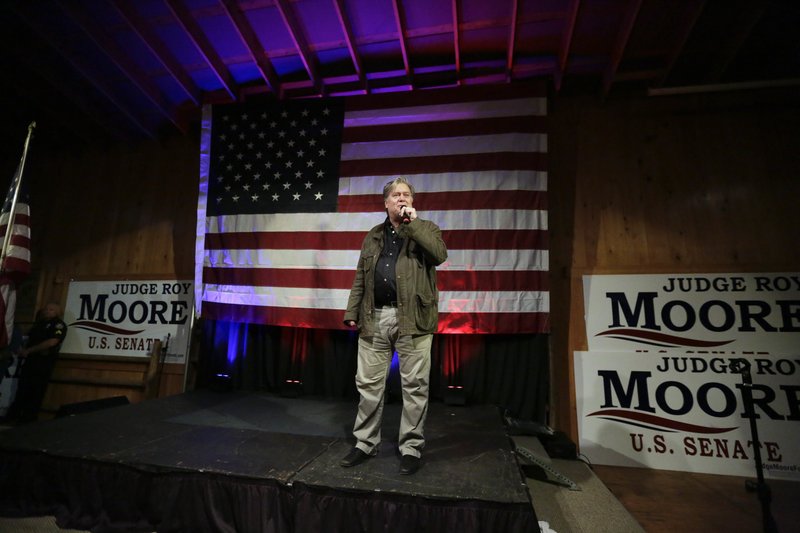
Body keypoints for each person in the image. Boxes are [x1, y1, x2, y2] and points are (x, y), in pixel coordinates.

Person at [340, 177, 447, 475]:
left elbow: (439, 255)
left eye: (407, 195)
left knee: (415, 387)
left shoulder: (426, 230)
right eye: (396, 194)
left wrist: (412, 225)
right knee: (369, 385)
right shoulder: (373, 236)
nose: (402, 198)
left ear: (412, 202)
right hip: (375, 317)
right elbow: (361, 277)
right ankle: (364, 443)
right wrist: (353, 311)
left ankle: (411, 447)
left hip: (413, 319)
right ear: (386, 202)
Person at [6, 302, 67, 423]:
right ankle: (14, 416)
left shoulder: (58, 325)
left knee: (36, 390)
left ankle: (28, 418)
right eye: (46, 309)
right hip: (31, 360)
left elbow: (52, 342)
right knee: (22, 388)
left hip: (43, 361)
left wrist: (30, 350)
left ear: (58, 313)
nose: (47, 311)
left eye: (51, 310)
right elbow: (29, 338)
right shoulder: (39, 324)